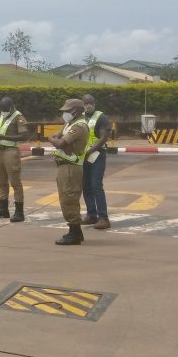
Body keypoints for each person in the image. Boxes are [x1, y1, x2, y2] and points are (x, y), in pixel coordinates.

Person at [48, 99, 91, 246]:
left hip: (71, 168)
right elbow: (55, 137)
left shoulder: (78, 126)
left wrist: (54, 140)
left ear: (76, 111)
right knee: (65, 198)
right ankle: (75, 231)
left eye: (67, 110)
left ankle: (75, 233)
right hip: (64, 167)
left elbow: (59, 142)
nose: (64, 113)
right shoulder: (69, 124)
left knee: (69, 198)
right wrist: (55, 139)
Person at [0, 96, 28, 222]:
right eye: (1, 109)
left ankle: (19, 212)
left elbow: (24, 136)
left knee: (15, 182)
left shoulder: (19, 117)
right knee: (1, 181)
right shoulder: (1, 115)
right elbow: (0, 130)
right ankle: (3, 209)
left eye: (5, 109)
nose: (3, 111)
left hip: (11, 151)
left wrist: (4, 137)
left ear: (11, 108)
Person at [81, 94, 111, 230]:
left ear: (94, 103)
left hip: (97, 155)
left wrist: (90, 151)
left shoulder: (102, 117)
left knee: (96, 185)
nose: (88, 105)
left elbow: (103, 138)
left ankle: (103, 218)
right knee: (85, 185)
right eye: (86, 103)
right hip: (83, 156)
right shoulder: (80, 117)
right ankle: (91, 214)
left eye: (90, 102)